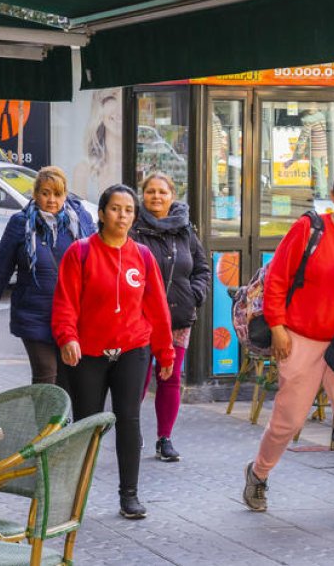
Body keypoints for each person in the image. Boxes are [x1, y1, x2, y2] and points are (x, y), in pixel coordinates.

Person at [242, 168, 334, 533]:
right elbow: (277, 277)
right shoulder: (309, 228)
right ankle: (258, 472)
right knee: (288, 421)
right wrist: (277, 328)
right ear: (333, 194)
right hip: (301, 339)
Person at [52, 184, 174, 520]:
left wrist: (165, 353)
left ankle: (129, 496)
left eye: (128, 210)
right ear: (102, 213)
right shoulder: (80, 253)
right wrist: (67, 338)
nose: (122, 215)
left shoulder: (143, 257)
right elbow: (65, 303)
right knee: (88, 424)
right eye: (116, 209)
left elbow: (158, 310)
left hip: (133, 350)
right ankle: (77, 496)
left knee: (129, 421)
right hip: (88, 354)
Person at [0, 166, 96, 387]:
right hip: (34, 314)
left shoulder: (81, 221)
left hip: (72, 316)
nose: (51, 200)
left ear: (65, 194)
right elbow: (1, 269)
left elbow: (98, 262)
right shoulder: (21, 224)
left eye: (57, 194)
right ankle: (44, 422)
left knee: (67, 380)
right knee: (46, 375)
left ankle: (62, 422)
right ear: (35, 194)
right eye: (45, 193)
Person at [131, 172, 211, 462]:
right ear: (143, 195)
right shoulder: (134, 229)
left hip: (178, 316)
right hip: (140, 320)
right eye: (150, 191)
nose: (156, 197)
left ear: (172, 196)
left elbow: (202, 268)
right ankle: (131, 431)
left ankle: (164, 438)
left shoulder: (185, 231)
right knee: (137, 378)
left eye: (162, 192)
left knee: (170, 377)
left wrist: (195, 295)